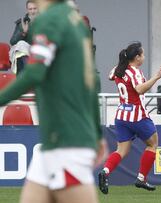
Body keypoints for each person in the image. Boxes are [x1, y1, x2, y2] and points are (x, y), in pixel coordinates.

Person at [0, 0, 106, 203]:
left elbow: (34, 73)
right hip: (57, 142)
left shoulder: (48, 20)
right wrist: (97, 133)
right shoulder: (75, 21)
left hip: (65, 142)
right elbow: (92, 81)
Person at [98, 42, 161, 194]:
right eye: (142, 55)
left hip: (122, 115)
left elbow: (111, 76)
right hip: (137, 115)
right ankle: (141, 178)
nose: (143, 57)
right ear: (136, 57)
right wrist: (156, 77)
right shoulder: (134, 72)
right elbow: (140, 89)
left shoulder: (118, 69)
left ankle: (105, 171)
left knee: (121, 150)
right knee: (153, 144)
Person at [9, 0, 38, 75]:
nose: (33, 11)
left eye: (35, 8)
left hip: (41, 50)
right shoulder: (22, 23)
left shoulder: (46, 20)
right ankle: (26, 76)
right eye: (30, 9)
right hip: (27, 51)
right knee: (20, 46)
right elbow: (12, 41)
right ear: (27, 10)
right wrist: (23, 33)